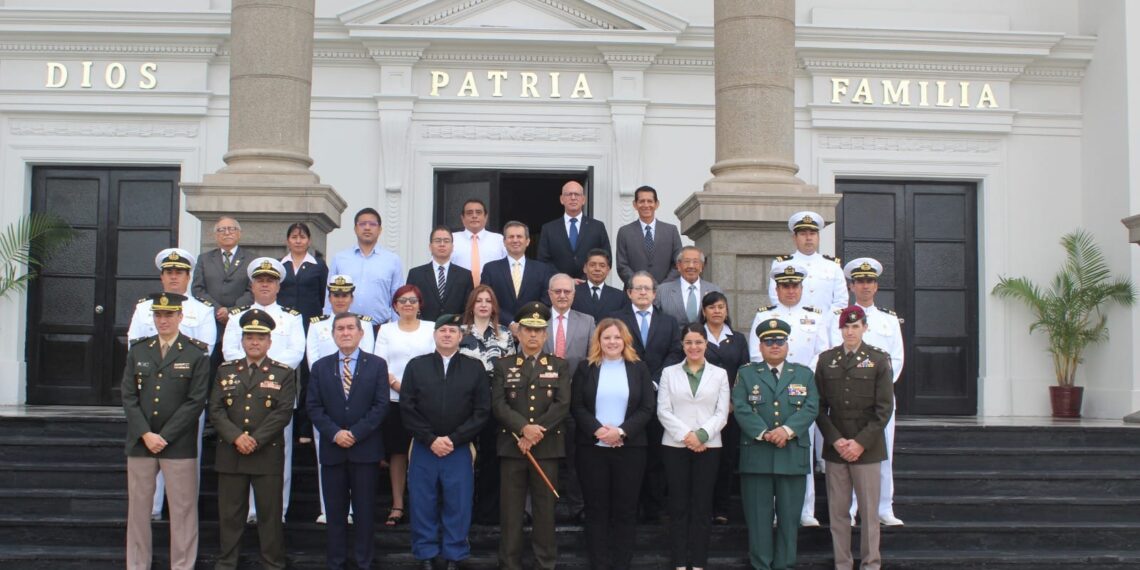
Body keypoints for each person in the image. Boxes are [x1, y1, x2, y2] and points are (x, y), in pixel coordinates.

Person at [121, 293, 210, 570]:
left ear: (180, 317)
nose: (163, 320)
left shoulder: (196, 353)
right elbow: (128, 397)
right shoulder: (139, 350)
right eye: (159, 315)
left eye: (169, 315)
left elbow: (196, 401)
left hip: (178, 444)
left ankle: (182, 565)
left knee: (183, 512)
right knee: (138, 512)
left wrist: (165, 436)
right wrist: (146, 433)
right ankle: (137, 565)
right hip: (141, 442)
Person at [126, 248, 216, 521]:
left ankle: (183, 508)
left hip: (186, 393)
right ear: (162, 276)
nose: (174, 277)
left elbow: (205, 350)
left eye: (179, 272)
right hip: (149, 393)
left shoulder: (201, 310)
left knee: (187, 455)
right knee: (148, 453)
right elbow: (134, 346)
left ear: (188, 277)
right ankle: (152, 508)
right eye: (169, 272)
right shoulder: (144, 308)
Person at [400, 314, 491, 570]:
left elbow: (482, 410)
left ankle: (454, 554)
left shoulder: (474, 368)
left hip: (458, 447)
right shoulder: (416, 366)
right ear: (435, 335)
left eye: (453, 330)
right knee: (422, 502)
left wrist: (454, 439)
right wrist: (430, 439)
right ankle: (426, 554)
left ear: (461, 337)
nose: (448, 334)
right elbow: (407, 408)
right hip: (424, 447)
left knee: (458, 503)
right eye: (443, 330)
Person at [209, 310, 296, 570]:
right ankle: (227, 564)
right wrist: (237, 437)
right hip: (231, 453)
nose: (254, 342)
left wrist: (254, 440)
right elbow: (215, 409)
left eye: (260, 337)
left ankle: (272, 564)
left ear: (270, 341)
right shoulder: (225, 371)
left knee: (269, 516)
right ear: (242, 341)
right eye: (249, 337)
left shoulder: (283, 373)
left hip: (266, 453)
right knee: (230, 516)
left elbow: (283, 412)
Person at [222, 257, 306, 522]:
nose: (265, 285)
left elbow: (296, 352)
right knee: (244, 453)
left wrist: (269, 374)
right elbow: (230, 352)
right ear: (252, 285)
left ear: (279, 286)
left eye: (271, 281)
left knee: (280, 454)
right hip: (243, 395)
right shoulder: (237, 317)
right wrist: (253, 376)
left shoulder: (292, 317)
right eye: (260, 281)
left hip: (278, 395)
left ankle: (275, 511)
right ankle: (249, 511)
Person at [749, 260, 832, 526]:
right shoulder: (764, 316)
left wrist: (802, 378)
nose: (791, 291)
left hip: (802, 390)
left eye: (795, 285)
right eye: (785, 286)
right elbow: (754, 354)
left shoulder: (816, 315)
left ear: (802, 287)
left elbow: (822, 353)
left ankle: (806, 510)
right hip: (772, 391)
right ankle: (775, 511)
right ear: (777, 287)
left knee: (802, 451)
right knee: (772, 451)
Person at [734, 318, 820, 570]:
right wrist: (764, 432)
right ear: (760, 346)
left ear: (787, 345)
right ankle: (761, 565)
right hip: (757, 455)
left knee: (789, 520)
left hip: (792, 455)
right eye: (768, 341)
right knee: (759, 521)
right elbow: (740, 407)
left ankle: (785, 565)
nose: (774, 345)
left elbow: (811, 406)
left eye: (779, 341)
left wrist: (786, 430)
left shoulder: (803, 374)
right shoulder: (746, 374)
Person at [571, 318, 656, 570]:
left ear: (625, 340)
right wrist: (598, 431)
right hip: (592, 450)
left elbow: (647, 407)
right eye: (606, 337)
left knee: (626, 510)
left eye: (617, 337)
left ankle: (621, 564)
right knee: (596, 510)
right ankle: (599, 564)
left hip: (630, 450)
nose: (612, 342)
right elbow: (576, 406)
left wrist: (621, 431)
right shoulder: (586, 368)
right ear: (598, 340)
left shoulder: (639, 368)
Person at [491, 302, 571, 570]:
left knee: (544, 511)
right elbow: (499, 405)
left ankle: (544, 564)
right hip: (513, 447)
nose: (533, 336)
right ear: (519, 333)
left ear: (546, 334)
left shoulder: (559, 365)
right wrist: (523, 429)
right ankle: (509, 564)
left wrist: (535, 433)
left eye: (538, 331)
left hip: (547, 447)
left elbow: (562, 404)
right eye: (527, 330)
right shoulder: (503, 365)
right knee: (511, 512)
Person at [307, 312, 389, 570]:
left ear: (361, 333)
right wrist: (335, 433)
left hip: (364, 449)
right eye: (340, 329)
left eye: (350, 328)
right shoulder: (321, 367)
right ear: (333, 334)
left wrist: (355, 433)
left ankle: (364, 562)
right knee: (335, 513)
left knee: (364, 512)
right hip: (333, 449)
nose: (345, 333)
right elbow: (313, 406)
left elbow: (381, 405)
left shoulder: (376, 365)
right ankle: (336, 562)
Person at [815, 306, 894, 570]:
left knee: (870, 513)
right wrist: (836, 440)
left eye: (855, 326)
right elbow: (818, 406)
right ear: (840, 329)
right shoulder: (827, 360)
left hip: (867, 449)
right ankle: (843, 564)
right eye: (846, 327)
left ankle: (871, 564)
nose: (850, 331)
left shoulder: (878, 359)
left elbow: (884, 409)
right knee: (838, 513)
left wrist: (860, 442)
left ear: (864, 327)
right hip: (836, 448)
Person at [610, 270, 683, 522]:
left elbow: (675, 353)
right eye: (637, 288)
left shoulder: (669, 322)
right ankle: (627, 507)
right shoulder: (615, 320)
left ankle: (654, 507)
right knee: (627, 454)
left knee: (655, 454)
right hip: (625, 396)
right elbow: (612, 350)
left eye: (647, 289)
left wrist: (654, 379)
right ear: (629, 293)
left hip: (658, 393)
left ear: (655, 293)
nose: (642, 292)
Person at [657, 323, 731, 570]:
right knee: (678, 505)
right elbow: (663, 411)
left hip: (709, 446)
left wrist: (701, 435)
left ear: (706, 344)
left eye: (698, 342)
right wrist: (687, 436)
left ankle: (698, 562)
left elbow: (722, 413)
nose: (694, 347)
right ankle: (679, 561)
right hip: (675, 446)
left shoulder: (720, 374)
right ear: (682, 345)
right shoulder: (669, 373)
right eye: (688, 342)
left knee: (702, 506)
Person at [305, 274, 376, 524]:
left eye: (344, 294)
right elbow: (312, 359)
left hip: (357, 399)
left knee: (359, 461)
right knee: (324, 455)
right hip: (327, 398)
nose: (340, 299)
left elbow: (370, 361)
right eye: (335, 294)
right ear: (329, 297)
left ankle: (354, 510)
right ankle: (329, 509)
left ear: (351, 297)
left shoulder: (363, 324)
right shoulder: (317, 324)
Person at [843, 258, 906, 527]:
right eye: (860, 281)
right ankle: (852, 508)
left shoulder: (889, 320)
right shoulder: (842, 318)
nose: (865, 286)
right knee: (851, 453)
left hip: (880, 399)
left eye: (869, 281)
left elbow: (897, 360)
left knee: (884, 453)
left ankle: (884, 507)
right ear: (852, 285)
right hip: (849, 397)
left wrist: (878, 388)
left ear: (876, 286)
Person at [374, 284, 437, 528]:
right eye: (402, 300)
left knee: (425, 453)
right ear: (395, 306)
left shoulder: (432, 329)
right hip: (395, 400)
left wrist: (416, 391)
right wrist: (402, 387)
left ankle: (425, 505)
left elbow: (436, 361)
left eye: (412, 300)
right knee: (398, 453)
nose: (407, 304)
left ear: (420, 304)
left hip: (426, 402)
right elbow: (381, 364)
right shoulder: (386, 331)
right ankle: (398, 505)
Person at [457, 285, 516, 525]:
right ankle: (464, 507)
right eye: (478, 300)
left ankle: (488, 510)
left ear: (494, 306)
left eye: (488, 301)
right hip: (464, 405)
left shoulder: (504, 334)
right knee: (465, 457)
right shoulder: (458, 332)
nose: (483, 304)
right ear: (471, 305)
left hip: (495, 404)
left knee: (492, 457)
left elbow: (512, 369)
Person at [543, 273, 595, 521]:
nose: (562, 296)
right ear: (549, 293)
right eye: (557, 291)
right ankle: (541, 507)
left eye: (567, 292)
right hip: (543, 402)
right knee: (545, 455)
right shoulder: (537, 320)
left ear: (574, 295)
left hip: (576, 400)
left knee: (577, 457)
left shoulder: (587, 321)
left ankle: (578, 507)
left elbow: (592, 361)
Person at [700, 291, 751, 525]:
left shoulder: (738, 339)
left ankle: (721, 508)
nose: (717, 311)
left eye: (721, 307)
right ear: (704, 311)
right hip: (701, 409)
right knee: (703, 458)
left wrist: (734, 402)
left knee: (727, 458)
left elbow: (744, 373)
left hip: (730, 409)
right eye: (712, 307)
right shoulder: (696, 335)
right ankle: (703, 506)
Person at [191, 216, 253, 369]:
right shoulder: (204, 259)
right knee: (210, 371)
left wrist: (231, 312)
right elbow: (198, 289)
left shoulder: (251, 259)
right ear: (215, 235)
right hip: (211, 323)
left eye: (231, 229)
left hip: (239, 322)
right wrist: (218, 310)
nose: (227, 233)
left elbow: (252, 291)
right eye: (221, 229)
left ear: (239, 233)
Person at [327, 207, 405, 323]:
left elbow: (397, 297)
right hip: (345, 328)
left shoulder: (392, 260)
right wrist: (328, 324)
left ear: (380, 229)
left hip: (379, 328)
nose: (367, 228)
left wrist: (396, 328)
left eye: (372, 224)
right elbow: (329, 296)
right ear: (355, 229)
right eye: (362, 224)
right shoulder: (340, 258)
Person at [767, 211, 847, 313]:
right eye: (803, 234)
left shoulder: (832, 265)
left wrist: (826, 322)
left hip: (825, 325)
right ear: (794, 238)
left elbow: (841, 301)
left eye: (812, 234)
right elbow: (775, 297)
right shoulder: (781, 264)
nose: (808, 238)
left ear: (818, 237)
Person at [480, 220, 555, 329]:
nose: (515, 240)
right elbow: (486, 300)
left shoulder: (542, 269)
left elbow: (546, 300)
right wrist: (510, 323)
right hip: (498, 330)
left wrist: (525, 323)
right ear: (504, 242)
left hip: (532, 329)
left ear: (528, 241)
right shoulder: (490, 269)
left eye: (519, 236)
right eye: (511, 237)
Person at [537, 180, 612, 280]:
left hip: (589, 285)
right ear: (561, 199)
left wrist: (586, 279)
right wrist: (565, 280)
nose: (573, 198)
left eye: (577, 194)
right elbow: (543, 261)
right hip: (560, 288)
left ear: (583, 199)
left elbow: (606, 258)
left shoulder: (597, 227)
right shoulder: (549, 229)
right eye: (569, 194)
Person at [615, 185, 683, 286]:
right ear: (635, 204)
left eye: (650, 201)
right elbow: (622, 265)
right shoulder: (624, 232)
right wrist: (639, 285)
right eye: (642, 201)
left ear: (657, 204)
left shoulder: (671, 231)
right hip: (635, 292)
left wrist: (663, 287)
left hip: (665, 292)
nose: (646, 205)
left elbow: (678, 263)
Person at [406, 225, 474, 322]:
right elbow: (410, 303)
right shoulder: (416, 274)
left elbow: (469, 308)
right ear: (430, 246)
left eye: (446, 241)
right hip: (423, 329)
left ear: (452, 246)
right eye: (437, 241)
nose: (442, 244)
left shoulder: (465, 275)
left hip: (454, 329)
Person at [655, 246, 724, 326]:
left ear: (702, 266)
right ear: (679, 266)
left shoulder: (715, 290)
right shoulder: (662, 290)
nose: (691, 266)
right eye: (687, 261)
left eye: (695, 262)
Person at [279, 222, 329, 326]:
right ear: (287, 241)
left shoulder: (319, 265)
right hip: (283, 320)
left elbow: (323, 295)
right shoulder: (279, 264)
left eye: (302, 237)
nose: (298, 241)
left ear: (309, 241)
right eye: (294, 237)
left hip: (310, 320)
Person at [452, 198, 507, 287]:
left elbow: (509, 268)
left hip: (491, 294)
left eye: (478, 212)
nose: (474, 216)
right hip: (458, 294)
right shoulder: (451, 239)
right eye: (469, 213)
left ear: (486, 217)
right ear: (462, 218)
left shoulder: (499, 240)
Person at [572, 248, 626, 321]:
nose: (597, 269)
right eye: (592, 265)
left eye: (602, 265)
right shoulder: (573, 293)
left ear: (608, 270)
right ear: (585, 268)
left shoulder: (619, 297)